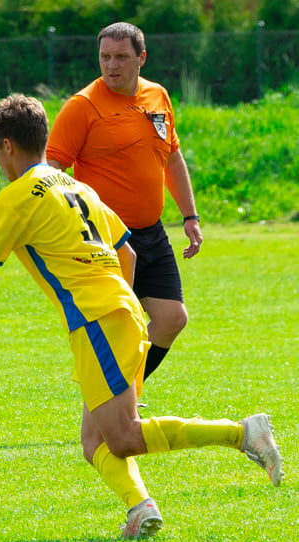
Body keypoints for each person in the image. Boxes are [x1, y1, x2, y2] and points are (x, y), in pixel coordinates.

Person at [0, 94, 282, 538]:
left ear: (6, 146)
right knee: (95, 440)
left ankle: (241, 433)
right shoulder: (76, 186)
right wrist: (120, 301)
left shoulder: (15, 198)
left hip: (99, 320)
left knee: (122, 436)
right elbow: (128, 252)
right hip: (120, 313)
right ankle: (140, 508)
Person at [46, 22, 202, 381]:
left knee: (171, 319)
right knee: (118, 327)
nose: (111, 65)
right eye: (105, 57)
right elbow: (51, 168)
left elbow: (172, 158)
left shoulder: (157, 96)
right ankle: (110, 406)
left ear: (141, 58)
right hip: (106, 238)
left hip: (151, 231)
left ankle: (122, 393)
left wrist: (190, 216)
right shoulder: (82, 106)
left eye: (121, 57)